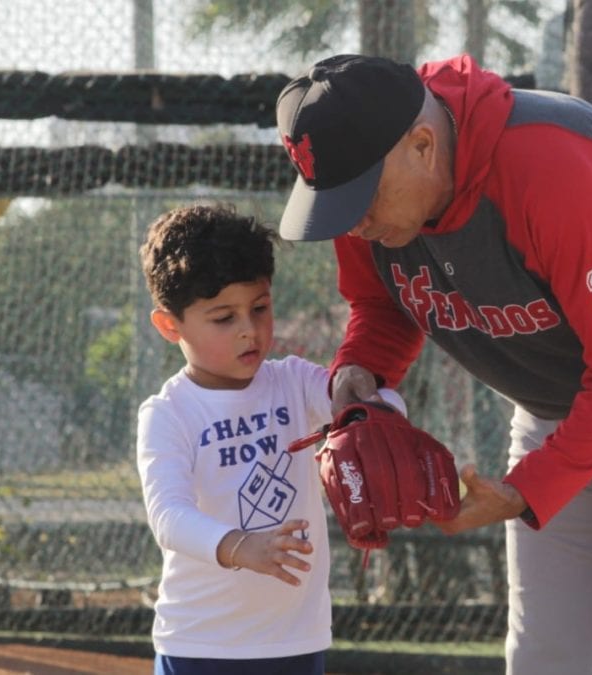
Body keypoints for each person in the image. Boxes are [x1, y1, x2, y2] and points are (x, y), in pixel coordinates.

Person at [273, 53, 592, 675]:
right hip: (557, 408)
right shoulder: (366, 197)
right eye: (333, 200)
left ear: (422, 145)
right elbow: (381, 306)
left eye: (358, 196)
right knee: (543, 659)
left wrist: (528, 487)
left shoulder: (547, 164)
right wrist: (360, 371)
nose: (351, 220)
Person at [136, 203, 407, 675]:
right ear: (169, 325)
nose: (249, 330)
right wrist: (242, 546)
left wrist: (380, 417)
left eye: (260, 307)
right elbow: (169, 518)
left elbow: (363, 401)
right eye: (223, 317)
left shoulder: (294, 382)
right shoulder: (168, 413)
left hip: (294, 642)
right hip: (200, 646)